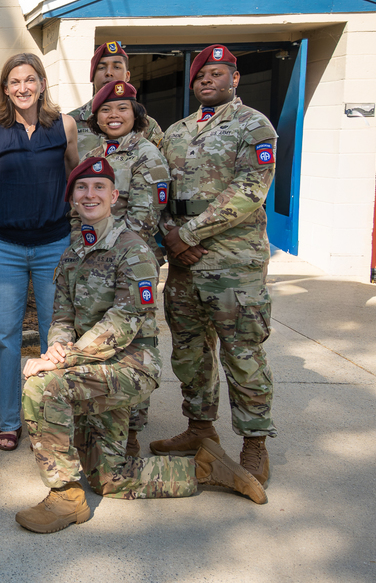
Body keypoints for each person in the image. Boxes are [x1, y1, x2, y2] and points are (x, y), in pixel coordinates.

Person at [15, 157, 266, 534]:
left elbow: (125, 320)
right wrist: (56, 349)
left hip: (129, 368)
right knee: (109, 478)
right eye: (81, 188)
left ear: (114, 196)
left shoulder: (133, 250)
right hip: (88, 367)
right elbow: (63, 319)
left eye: (99, 187)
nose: (90, 194)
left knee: (41, 388)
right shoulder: (71, 254)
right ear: (72, 199)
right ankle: (205, 467)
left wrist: (62, 359)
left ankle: (66, 496)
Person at [151, 45, 277, 488]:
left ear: (235, 79)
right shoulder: (177, 131)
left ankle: (254, 442)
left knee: (243, 355)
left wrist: (188, 234)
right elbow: (160, 190)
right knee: (190, 353)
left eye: (218, 73)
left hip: (232, 264)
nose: (208, 80)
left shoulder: (253, 125)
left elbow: (250, 191)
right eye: (202, 75)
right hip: (185, 265)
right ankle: (200, 430)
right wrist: (171, 235)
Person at [0, 52, 78, 452]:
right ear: (5, 89)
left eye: (29, 80)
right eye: (14, 82)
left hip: (54, 245)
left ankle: (50, 417)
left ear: (42, 83)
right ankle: (10, 420)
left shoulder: (64, 127)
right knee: (4, 337)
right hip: (5, 247)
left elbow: (76, 178)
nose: (22, 88)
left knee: (56, 336)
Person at [81, 80, 171, 456]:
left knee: (132, 341)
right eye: (105, 110)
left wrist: (107, 255)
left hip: (129, 263)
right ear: (96, 118)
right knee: (100, 339)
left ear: (136, 114)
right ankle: (101, 421)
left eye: (121, 109)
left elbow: (143, 219)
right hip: (94, 263)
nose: (113, 115)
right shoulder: (98, 153)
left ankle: (131, 430)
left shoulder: (147, 154)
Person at [71, 41, 164, 157]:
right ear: (92, 76)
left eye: (116, 67)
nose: (109, 73)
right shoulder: (71, 123)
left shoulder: (146, 125)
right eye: (101, 67)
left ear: (127, 76)